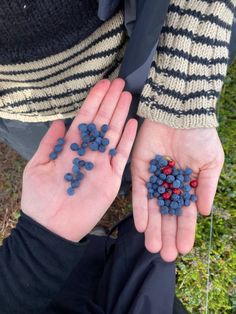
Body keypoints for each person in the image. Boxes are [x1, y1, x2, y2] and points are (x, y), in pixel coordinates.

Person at [0, 0, 235, 261]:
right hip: (18, 112)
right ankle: (117, 191)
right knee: (69, 160)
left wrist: (182, 90)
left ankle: (124, 186)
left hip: (137, 67)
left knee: (130, 150)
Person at [0, 80, 187, 314]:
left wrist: (40, 243)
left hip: (46, 290)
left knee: (83, 272)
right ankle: (95, 242)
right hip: (135, 303)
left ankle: (91, 241)